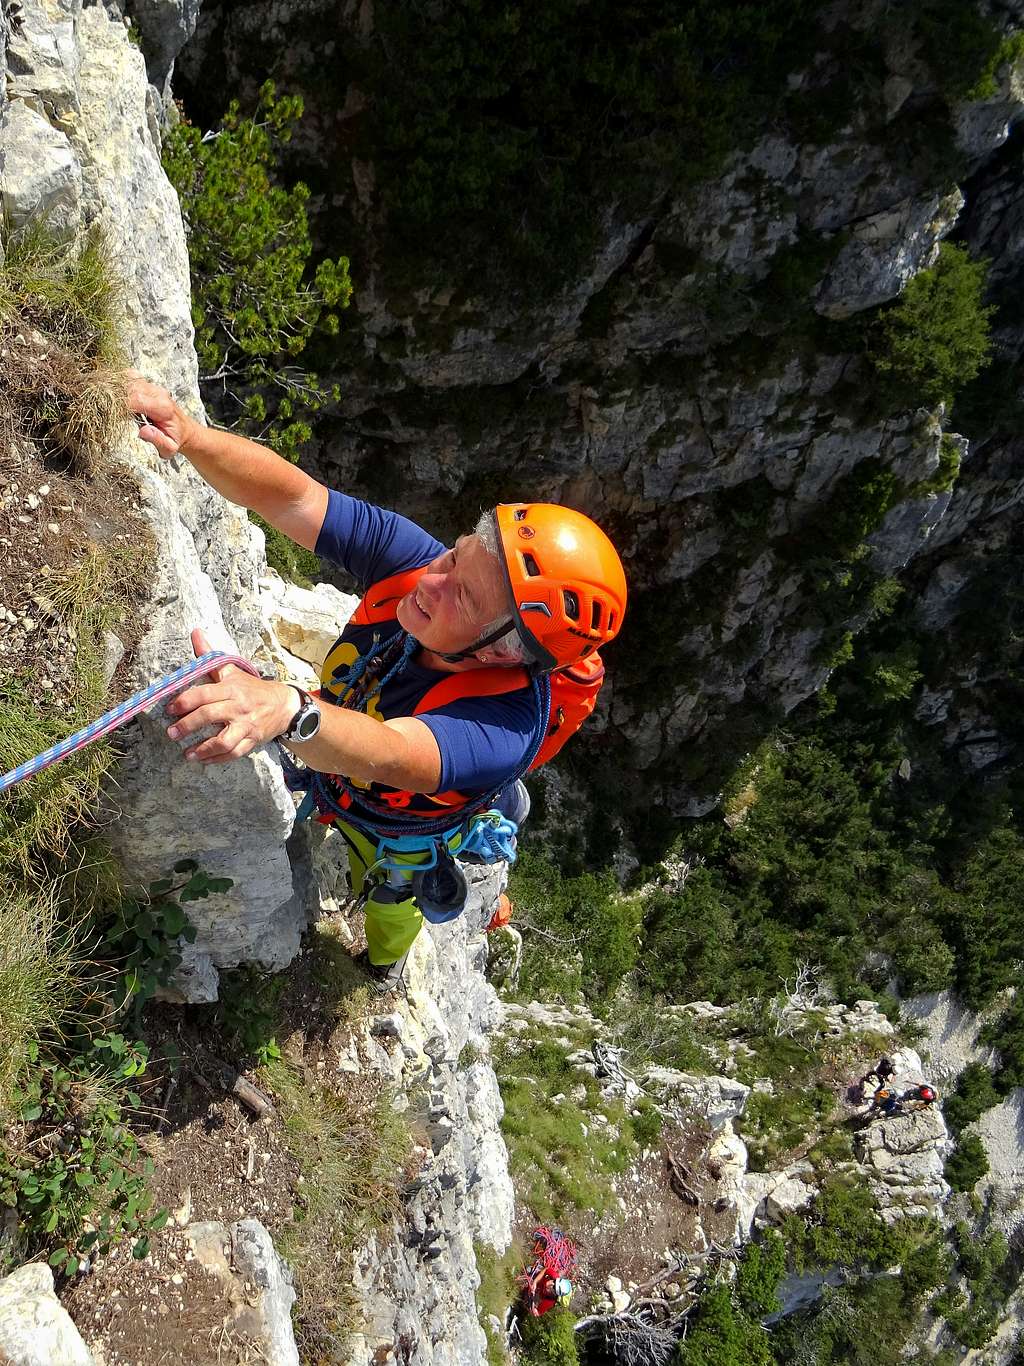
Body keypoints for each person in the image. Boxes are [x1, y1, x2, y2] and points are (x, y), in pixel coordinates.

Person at [127, 376, 627, 977]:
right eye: (453, 555)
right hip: (331, 755)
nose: (428, 581)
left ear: (501, 654)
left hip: (400, 822)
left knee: (395, 896)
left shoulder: (505, 725)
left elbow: (393, 753)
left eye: (462, 598)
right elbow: (296, 500)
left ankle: (384, 963)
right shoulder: (417, 564)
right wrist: (193, 437)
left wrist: (289, 709)